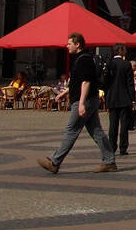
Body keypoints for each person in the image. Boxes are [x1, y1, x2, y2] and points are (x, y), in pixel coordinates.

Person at [38, 33, 116, 174]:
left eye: (69, 44)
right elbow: (77, 82)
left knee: (71, 130)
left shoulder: (83, 60)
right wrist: (63, 93)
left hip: (84, 100)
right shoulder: (82, 59)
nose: (67, 46)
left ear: (77, 44)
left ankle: (55, 162)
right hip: (88, 99)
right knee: (96, 131)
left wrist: (81, 103)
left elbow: (86, 82)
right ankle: (109, 160)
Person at [104, 44, 136, 158]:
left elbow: (105, 83)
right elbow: (130, 84)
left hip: (112, 98)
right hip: (124, 98)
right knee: (124, 124)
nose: (126, 51)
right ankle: (123, 148)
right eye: (124, 50)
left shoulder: (109, 64)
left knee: (113, 124)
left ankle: (112, 147)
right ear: (120, 51)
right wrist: (133, 99)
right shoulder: (126, 64)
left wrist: (106, 98)